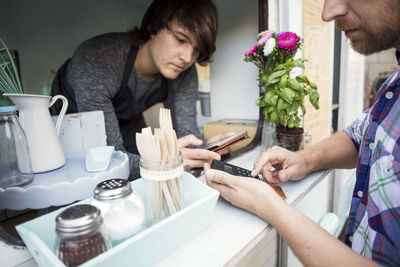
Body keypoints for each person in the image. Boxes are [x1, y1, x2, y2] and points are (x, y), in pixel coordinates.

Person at [204, 0, 400, 266]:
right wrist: (304, 160)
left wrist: (271, 206)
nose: (328, 12)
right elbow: (362, 136)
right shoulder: (394, 84)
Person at [51, 0, 228, 179]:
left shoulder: (185, 71)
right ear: (153, 28)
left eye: (196, 49)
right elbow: (110, 161)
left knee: (140, 169)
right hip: (70, 123)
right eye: (180, 39)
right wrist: (163, 162)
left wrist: (207, 149)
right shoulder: (98, 61)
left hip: (128, 119)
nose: (187, 57)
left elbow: (187, 134)